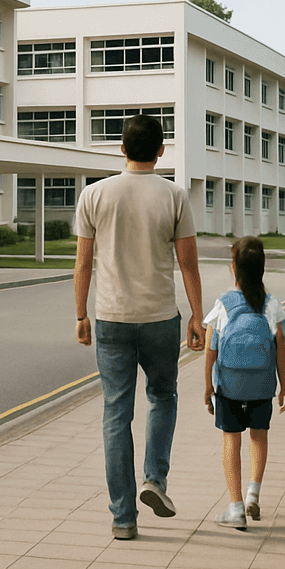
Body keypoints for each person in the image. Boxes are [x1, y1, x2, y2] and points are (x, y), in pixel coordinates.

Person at [74, 113, 205, 540]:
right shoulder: (174, 196)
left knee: (116, 413)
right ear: (161, 150)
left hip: (111, 318)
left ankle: (123, 519)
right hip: (160, 319)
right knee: (163, 397)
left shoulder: (94, 195)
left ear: (122, 149)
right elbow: (188, 263)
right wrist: (197, 316)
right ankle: (155, 480)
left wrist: (81, 315)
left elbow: (83, 263)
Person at [203, 235, 285, 530]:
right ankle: (254, 493)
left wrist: (207, 386)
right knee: (259, 435)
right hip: (263, 386)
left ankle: (235, 507)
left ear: (234, 267)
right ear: (262, 268)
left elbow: (210, 349)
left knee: (231, 439)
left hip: (229, 386)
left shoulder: (224, 304)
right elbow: (280, 347)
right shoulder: (272, 305)